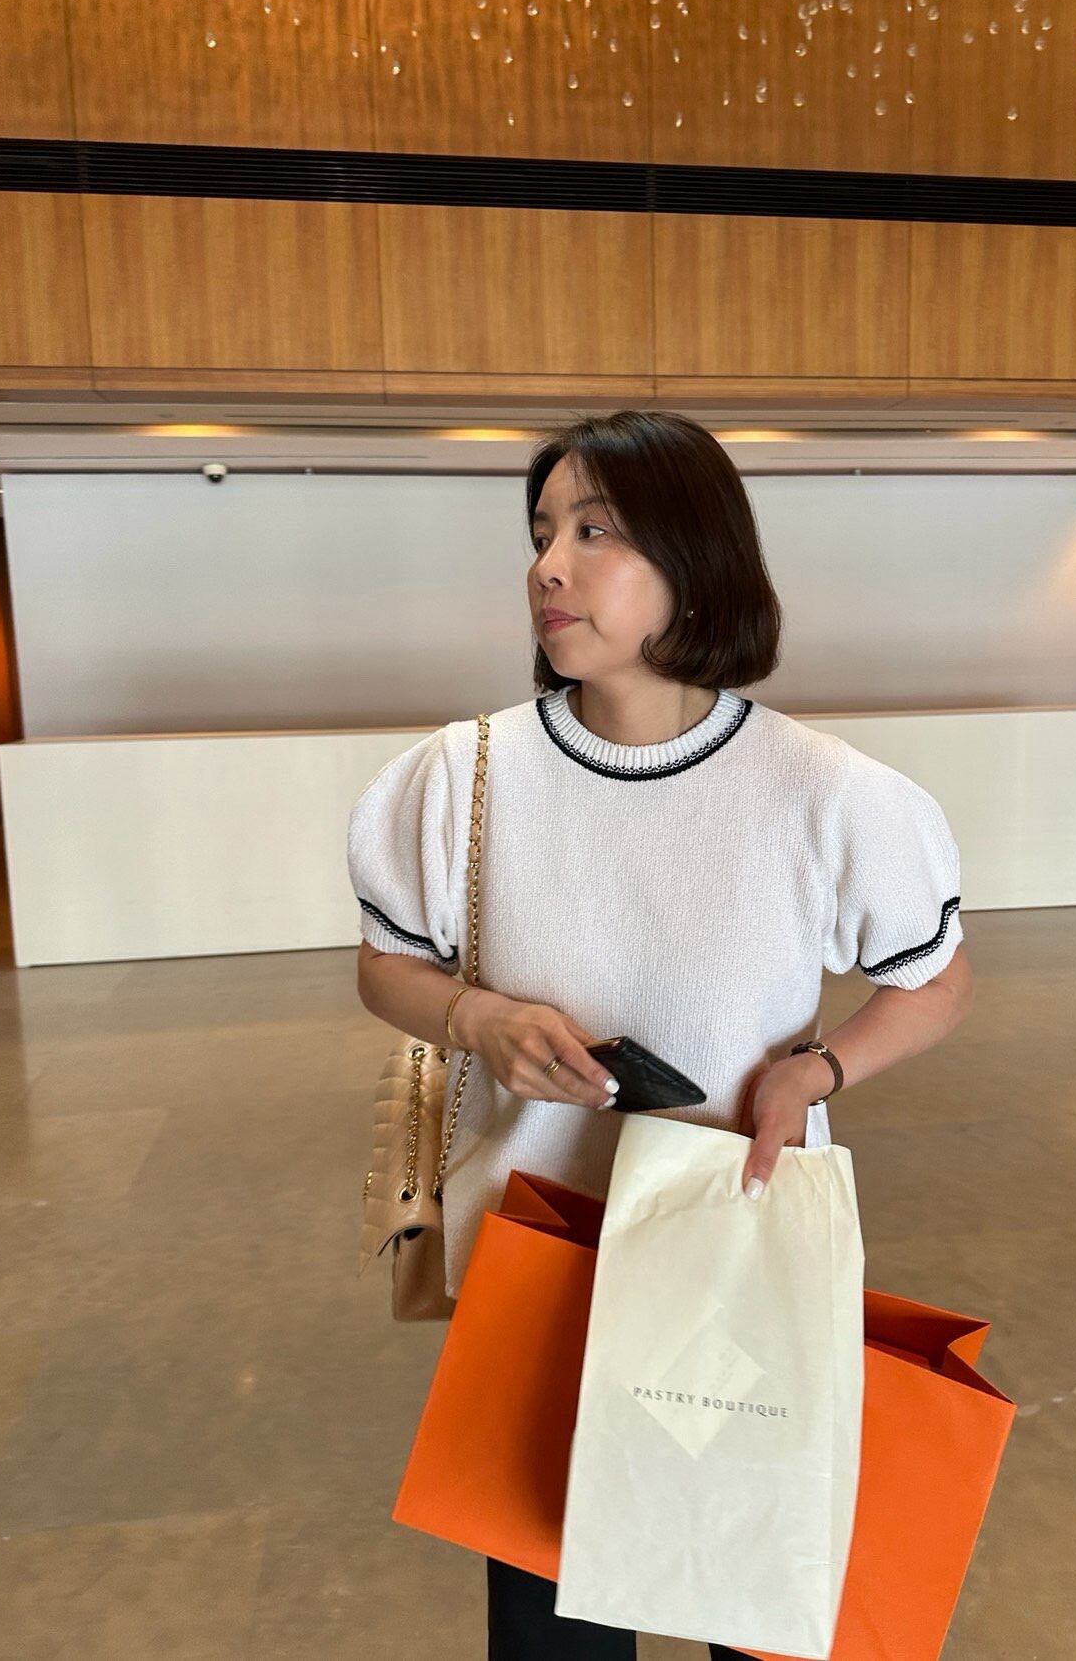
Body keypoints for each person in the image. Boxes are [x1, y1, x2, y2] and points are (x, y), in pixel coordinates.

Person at [349, 408, 974, 1659]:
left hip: (737, 1251)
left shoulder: (827, 794)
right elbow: (385, 971)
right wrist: (477, 1016)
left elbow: (934, 983)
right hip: (540, 1256)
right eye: (541, 532)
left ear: (694, 559)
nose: (547, 566)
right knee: (551, 1618)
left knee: (751, 1587)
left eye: (595, 532)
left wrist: (818, 1067)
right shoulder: (462, 777)